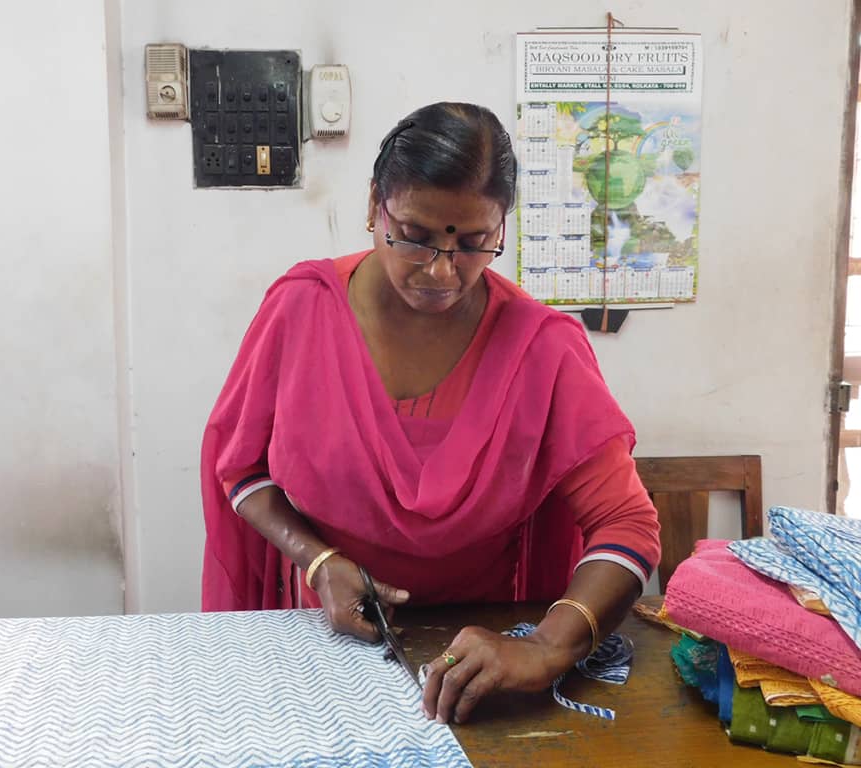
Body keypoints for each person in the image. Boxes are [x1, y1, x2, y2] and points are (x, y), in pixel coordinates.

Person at [201, 102, 660, 726]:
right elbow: (241, 471)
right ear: (374, 207)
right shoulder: (301, 311)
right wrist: (318, 560)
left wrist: (547, 647)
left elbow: (626, 524)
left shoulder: (541, 348)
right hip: (324, 636)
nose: (443, 272)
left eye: (475, 244)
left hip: (478, 658)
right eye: (415, 237)